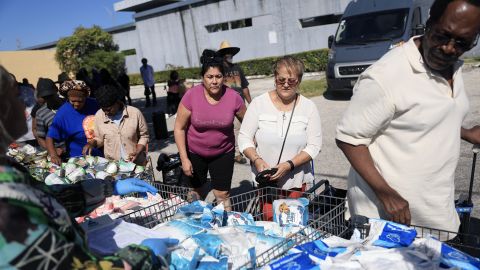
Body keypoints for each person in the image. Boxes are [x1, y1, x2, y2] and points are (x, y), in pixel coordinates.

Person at [0, 64, 177, 270]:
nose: (24, 104)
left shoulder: (9, 169)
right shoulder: (6, 209)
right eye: (15, 96)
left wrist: (108, 188)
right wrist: (142, 255)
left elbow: (49, 200)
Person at [335, 0, 480, 233]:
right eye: (443, 35)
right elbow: (349, 138)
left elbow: (425, 115)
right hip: (389, 219)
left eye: (462, 42)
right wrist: (387, 195)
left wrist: (465, 132)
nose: (449, 48)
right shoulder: (387, 76)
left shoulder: (454, 67)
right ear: (429, 23)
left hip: (437, 212)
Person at [174, 49, 246, 211]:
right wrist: (184, 159)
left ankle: (226, 227)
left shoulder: (233, 97)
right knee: (196, 192)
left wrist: (250, 145)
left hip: (223, 152)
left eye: (218, 76)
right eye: (210, 77)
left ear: (223, 77)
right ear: (202, 78)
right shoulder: (191, 96)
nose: (214, 81)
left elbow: (247, 123)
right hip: (195, 153)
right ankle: (195, 223)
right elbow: (179, 128)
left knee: (222, 194)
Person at [238, 56, 322, 190]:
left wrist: (289, 165)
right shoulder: (258, 103)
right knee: (267, 212)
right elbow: (244, 138)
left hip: (297, 182)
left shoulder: (309, 107)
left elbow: (314, 146)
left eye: (292, 80)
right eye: (281, 80)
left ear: (299, 81)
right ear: (275, 78)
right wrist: (257, 160)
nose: (286, 84)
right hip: (266, 183)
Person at [83, 84, 149, 164]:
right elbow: (99, 139)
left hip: (137, 163)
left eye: (109, 109)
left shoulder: (135, 113)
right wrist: (91, 144)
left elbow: (144, 136)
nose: (106, 113)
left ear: (117, 102)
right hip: (114, 167)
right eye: (104, 110)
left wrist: (137, 152)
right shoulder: (99, 115)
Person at [46, 80, 102, 165]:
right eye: (73, 101)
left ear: (85, 97)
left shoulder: (95, 104)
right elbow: (50, 137)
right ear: (68, 99)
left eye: (80, 101)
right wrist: (53, 155)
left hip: (101, 155)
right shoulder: (63, 113)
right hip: (78, 159)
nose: (76, 104)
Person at [217, 40, 252, 164]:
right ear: (222, 55)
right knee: (233, 129)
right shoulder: (219, 70)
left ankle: (243, 151)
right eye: (227, 53)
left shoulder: (237, 68)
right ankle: (235, 153)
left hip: (240, 104)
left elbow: (244, 87)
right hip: (226, 105)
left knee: (244, 127)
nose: (230, 56)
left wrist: (250, 103)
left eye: (231, 53)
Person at [34, 78, 66, 156]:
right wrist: (53, 150)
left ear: (56, 90)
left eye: (50, 96)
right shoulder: (40, 113)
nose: (48, 99)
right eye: (45, 97)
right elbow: (41, 138)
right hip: (58, 156)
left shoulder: (69, 104)